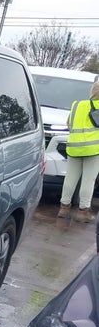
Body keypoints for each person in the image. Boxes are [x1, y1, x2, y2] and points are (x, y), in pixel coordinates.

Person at [59, 81, 99, 223]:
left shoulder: (77, 105)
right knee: (88, 180)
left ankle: (64, 208)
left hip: (74, 147)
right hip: (94, 149)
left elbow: (69, 123)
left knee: (70, 177)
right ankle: (83, 211)